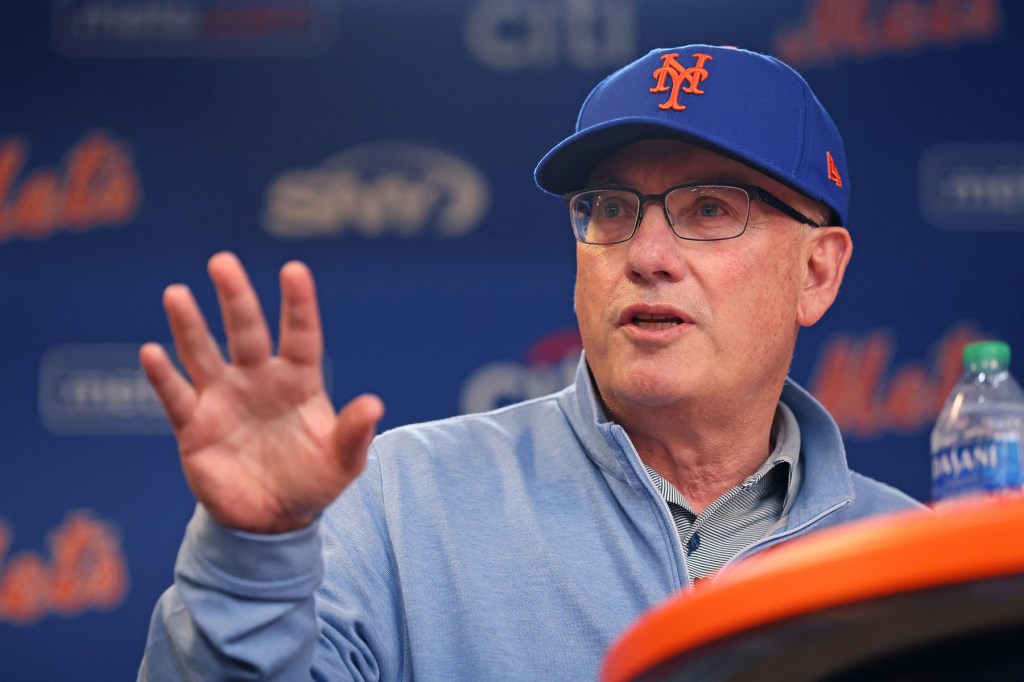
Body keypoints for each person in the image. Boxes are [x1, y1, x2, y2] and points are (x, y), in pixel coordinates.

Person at [138, 44, 923, 681]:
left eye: (711, 209)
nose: (646, 254)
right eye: (611, 209)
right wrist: (251, 558)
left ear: (817, 272)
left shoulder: (916, 564)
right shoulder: (396, 500)